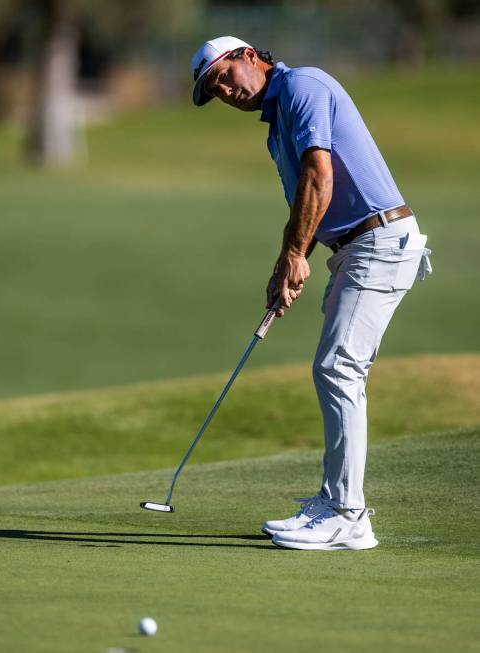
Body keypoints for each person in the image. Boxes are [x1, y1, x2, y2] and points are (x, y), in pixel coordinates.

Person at [191, 36, 432, 551]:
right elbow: (309, 198)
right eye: (214, 91)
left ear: (249, 56)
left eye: (224, 77)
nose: (225, 92)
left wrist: (295, 256)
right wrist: (290, 259)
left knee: (338, 367)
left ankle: (347, 515)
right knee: (340, 368)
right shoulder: (277, 120)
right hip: (353, 248)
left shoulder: (303, 85)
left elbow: (319, 175)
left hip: (379, 241)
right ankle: (335, 501)